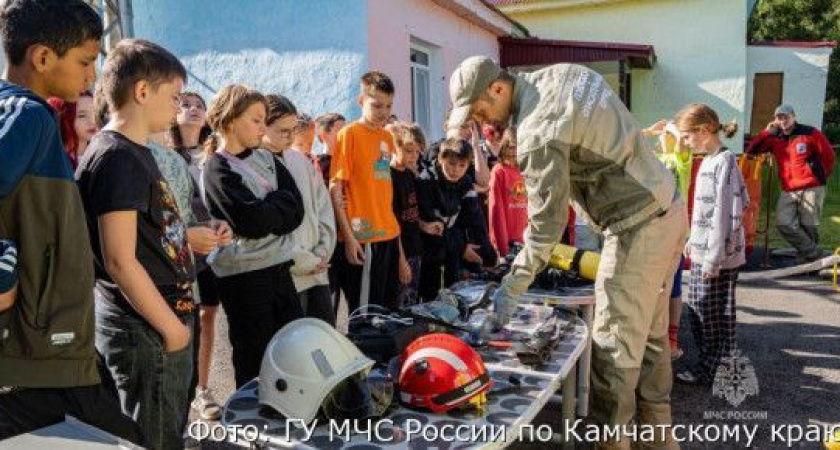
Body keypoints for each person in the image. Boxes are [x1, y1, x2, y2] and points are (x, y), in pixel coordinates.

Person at [448, 56, 686, 449]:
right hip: (667, 207)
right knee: (650, 341)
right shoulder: (562, 74)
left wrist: (511, 289)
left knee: (612, 355)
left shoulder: (538, 129)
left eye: (480, 110)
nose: (483, 122)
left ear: (497, 88)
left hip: (636, 226)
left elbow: (544, 227)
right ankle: (659, 442)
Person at [0, 0, 142, 444]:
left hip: (44, 347)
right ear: (42, 57)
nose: (91, 75)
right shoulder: (30, 115)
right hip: (40, 355)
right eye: (85, 61)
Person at [76, 38, 196, 450]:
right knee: (155, 441)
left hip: (158, 325)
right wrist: (171, 330)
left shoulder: (133, 152)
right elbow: (119, 260)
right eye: (174, 96)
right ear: (142, 91)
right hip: (148, 332)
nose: (179, 107)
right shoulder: (117, 156)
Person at [201, 85, 304, 388]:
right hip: (244, 277)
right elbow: (251, 221)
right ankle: (253, 428)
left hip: (280, 270)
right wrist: (275, 207)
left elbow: (297, 211)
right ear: (231, 121)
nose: (263, 128)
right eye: (256, 120)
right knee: (255, 361)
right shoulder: (216, 169)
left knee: (290, 352)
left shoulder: (269, 160)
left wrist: (267, 209)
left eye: (264, 120)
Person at [673, 104, 748, 385]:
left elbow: (727, 212)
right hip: (706, 252)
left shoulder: (724, 162)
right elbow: (704, 210)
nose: (684, 142)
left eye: (686, 136)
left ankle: (715, 369)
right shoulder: (707, 159)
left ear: (704, 131)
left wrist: (715, 258)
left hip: (718, 258)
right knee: (699, 311)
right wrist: (694, 240)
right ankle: (714, 365)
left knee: (714, 316)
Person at [166, 91, 224, 420]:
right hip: (179, 249)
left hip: (211, 248)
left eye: (199, 106)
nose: (193, 110)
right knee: (182, 320)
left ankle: (202, 389)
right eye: (185, 104)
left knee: (207, 316)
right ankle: (182, 391)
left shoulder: (211, 154)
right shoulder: (163, 153)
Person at [329, 72, 401, 313]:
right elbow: (336, 187)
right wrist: (349, 238)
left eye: (388, 105)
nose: (383, 111)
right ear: (361, 101)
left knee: (389, 314)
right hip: (364, 238)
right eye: (377, 105)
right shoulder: (348, 134)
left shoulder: (386, 136)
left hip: (388, 235)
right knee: (366, 317)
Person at [262, 94, 337, 325]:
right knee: (293, 345)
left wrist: (324, 250)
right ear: (263, 126)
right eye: (283, 130)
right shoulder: (256, 164)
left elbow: (323, 208)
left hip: (317, 271)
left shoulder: (300, 161)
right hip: (288, 274)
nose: (290, 136)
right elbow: (267, 226)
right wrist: (303, 260)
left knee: (323, 337)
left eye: (293, 129)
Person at [745, 104, 834, 262]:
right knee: (784, 223)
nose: (783, 120)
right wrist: (766, 132)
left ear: (794, 117)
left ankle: (807, 259)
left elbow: (828, 155)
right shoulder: (774, 137)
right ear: (775, 120)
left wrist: (818, 176)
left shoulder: (810, 133)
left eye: (786, 116)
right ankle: (815, 255)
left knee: (809, 224)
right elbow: (752, 150)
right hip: (789, 188)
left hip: (812, 186)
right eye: (779, 117)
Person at [417, 138, 497, 302]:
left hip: (452, 247)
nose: (456, 170)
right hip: (428, 249)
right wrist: (462, 247)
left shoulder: (466, 181)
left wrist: (488, 254)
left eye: (462, 166)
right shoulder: (426, 181)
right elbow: (433, 225)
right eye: (451, 164)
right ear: (441, 159)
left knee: (455, 294)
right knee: (430, 297)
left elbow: (475, 218)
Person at [644, 120, 693, 359]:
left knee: (673, 287)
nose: (664, 137)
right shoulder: (654, 160)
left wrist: (671, 126)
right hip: (652, 233)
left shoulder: (681, 162)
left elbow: (683, 144)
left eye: (668, 135)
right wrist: (653, 130)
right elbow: (632, 142)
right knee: (653, 287)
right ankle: (654, 335)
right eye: (663, 136)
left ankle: (671, 339)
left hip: (674, 234)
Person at [389, 122, 424, 306]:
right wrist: (401, 260)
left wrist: (425, 226)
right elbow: (393, 222)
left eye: (417, 152)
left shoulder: (410, 175)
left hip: (415, 249)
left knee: (412, 304)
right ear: (396, 147)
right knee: (400, 308)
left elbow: (411, 214)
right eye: (409, 151)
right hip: (401, 254)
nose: (414, 156)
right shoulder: (389, 177)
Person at [488, 127, 527, 258]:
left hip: (526, 242)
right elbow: (495, 210)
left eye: (518, 147)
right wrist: (502, 247)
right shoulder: (499, 171)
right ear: (504, 147)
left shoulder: (526, 171)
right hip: (507, 244)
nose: (515, 151)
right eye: (511, 147)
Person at [48, 90, 97, 169]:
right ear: (63, 118)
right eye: (82, 116)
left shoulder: (102, 154)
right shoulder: (53, 160)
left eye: (95, 113)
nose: (92, 121)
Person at [313, 112, 345, 186]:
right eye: (340, 131)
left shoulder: (346, 161)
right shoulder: (316, 164)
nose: (345, 135)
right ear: (324, 135)